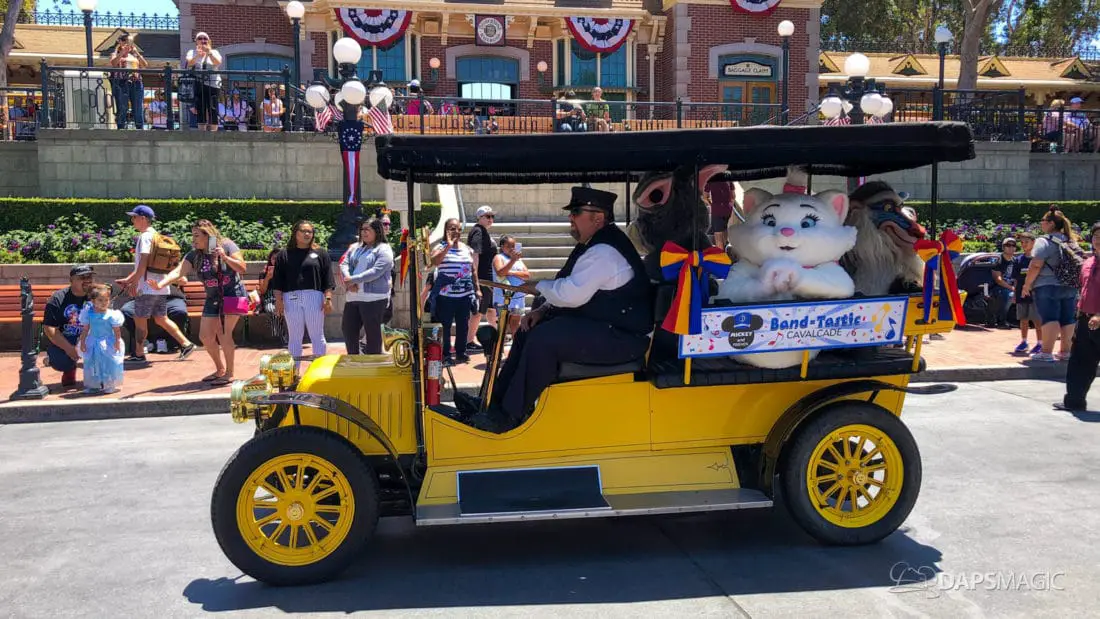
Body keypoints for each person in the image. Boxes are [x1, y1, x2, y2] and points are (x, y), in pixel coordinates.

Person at [470, 187, 654, 433]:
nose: (570, 217)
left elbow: (571, 294)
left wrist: (539, 287)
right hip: (606, 326)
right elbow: (570, 287)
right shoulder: (591, 245)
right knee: (528, 329)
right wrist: (542, 310)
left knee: (545, 340)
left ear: (598, 218)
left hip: (625, 337)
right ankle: (494, 404)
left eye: (576, 212)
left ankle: (509, 416)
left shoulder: (604, 251)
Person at [149, 220, 248, 385]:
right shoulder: (194, 255)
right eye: (192, 235)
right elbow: (178, 272)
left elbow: (242, 267)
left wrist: (224, 257)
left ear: (207, 235)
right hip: (213, 298)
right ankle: (220, 369)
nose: (193, 239)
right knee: (205, 336)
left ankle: (229, 373)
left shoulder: (227, 245)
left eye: (196, 235)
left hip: (234, 295)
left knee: (223, 333)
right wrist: (161, 284)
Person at [114, 205, 195, 364]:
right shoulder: (156, 236)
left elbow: (143, 263)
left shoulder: (145, 237)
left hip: (147, 288)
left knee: (139, 319)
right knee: (161, 318)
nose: (132, 220)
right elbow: (146, 266)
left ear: (143, 218)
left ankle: (139, 354)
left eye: (134, 217)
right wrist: (130, 279)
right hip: (160, 287)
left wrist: (134, 282)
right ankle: (186, 344)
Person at [271, 220, 334, 369]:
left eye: (310, 231)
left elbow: (328, 278)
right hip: (291, 297)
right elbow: (278, 280)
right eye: (303, 231)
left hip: (314, 296)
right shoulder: (283, 255)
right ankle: (294, 372)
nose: (307, 234)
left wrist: (328, 298)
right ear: (295, 233)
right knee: (294, 337)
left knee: (317, 335)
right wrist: (278, 300)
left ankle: (319, 370)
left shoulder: (320, 253)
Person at [1022, 207, 1082, 362]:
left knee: (1050, 317)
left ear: (1051, 223)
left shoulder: (1043, 241)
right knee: (1068, 319)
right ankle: (1065, 352)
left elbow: (1036, 264)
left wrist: (1027, 285)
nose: (1041, 223)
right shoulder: (1070, 240)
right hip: (1070, 284)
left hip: (1047, 285)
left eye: (1043, 221)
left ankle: (1046, 352)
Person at [1057, 221, 1100, 412]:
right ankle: (1074, 401)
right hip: (1085, 320)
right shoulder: (1089, 262)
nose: (1098, 240)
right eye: (1096, 236)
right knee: (1080, 362)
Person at [340, 218, 394, 355]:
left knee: (372, 334)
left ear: (377, 231)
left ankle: (373, 361)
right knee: (348, 329)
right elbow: (344, 263)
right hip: (353, 296)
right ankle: (354, 357)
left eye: (367, 229)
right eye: (362, 229)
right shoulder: (355, 247)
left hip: (374, 298)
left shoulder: (384, 249)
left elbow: (376, 271)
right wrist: (348, 280)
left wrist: (353, 279)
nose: (363, 232)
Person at [429, 218, 479, 365]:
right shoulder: (440, 246)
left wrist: (477, 289)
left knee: (463, 325)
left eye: (458, 229)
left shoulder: (466, 248)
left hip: (465, 295)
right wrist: (448, 246)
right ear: (446, 230)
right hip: (446, 296)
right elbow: (434, 262)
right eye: (452, 228)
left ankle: (461, 352)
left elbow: (473, 270)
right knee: (445, 326)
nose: (456, 231)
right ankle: (445, 355)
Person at [42, 264, 97, 388]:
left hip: (91, 336)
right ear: (71, 280)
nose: (87, 280)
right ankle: (69, 368)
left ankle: (98, 375)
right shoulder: (58, 298)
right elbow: (49, 328)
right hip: (68, 337)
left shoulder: (97, 295)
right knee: (60, 360)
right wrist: (69, 349)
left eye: (89, 277)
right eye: (82, 277)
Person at [78, 284, 125, 395]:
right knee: (92, 363)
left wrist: (117, 342)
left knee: (109, 363)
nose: (104, 303)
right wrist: (83, 342)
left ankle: (110, 384)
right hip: (93, 342)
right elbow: (85, 330)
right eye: (100, 300)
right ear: (93, 301)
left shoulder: (112, 315)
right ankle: (93, 385)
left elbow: (117, 331)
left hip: (108, 342)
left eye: (106, 300)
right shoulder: (88, 314)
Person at [466, 205, 498, 354]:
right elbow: (475, 255)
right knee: (479, 311)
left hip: (488, 278)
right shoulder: (478, 231)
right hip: (483, 278)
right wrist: (476, 279)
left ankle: (496, 335)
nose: (491, 219)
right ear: (479, 218)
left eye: (492, 216)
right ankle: (469, 341)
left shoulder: (482, 231)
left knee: (491, 309)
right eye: (488, 216)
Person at [492, 235, 531, 337]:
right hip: (503, 297)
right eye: (508, 246)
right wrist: (512, 261)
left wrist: (511, 273)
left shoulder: (518, 260)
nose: (511, 248)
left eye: (513, 246)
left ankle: (516, 346)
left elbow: (527, 275)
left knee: (516, 324)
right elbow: (500, 272)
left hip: (518, 297)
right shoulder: (498, 257)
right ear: (502, 246)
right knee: (503, 325)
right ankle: (500, 346)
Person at [109, 33, 148, 130]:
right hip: (122, 83)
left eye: (131, 42)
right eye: (127, 42)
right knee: (122, 107)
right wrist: (122, 52)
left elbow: (144, 65)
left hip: (136, 82)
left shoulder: (133, 55)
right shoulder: (115, 54)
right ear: (121, 42)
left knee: (138, 107)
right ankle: (121, 128)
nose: (129, 44)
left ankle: (140, 128)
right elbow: (114, 63)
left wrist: (137, 53)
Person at [185, 32, 222, 132]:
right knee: (201, 109)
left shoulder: (214, 52)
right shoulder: (192, 52)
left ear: (209, 41)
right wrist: (198, 55)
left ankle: (213, 134)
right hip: (198, 84)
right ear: (196, 41)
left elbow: (217, 62)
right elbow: (189, 63)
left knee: (212, 108)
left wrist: (209, 53)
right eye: (200, 38)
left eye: (205, 38)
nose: (203, 40)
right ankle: (202, 133)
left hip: (213, 84)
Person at [1013, 232, 1043, 355]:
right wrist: (1015, 293)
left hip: (1035, 293)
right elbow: (1015, 279)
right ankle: (1024, 341)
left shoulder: (1038, 259)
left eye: (1027, 242)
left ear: (1033, 243)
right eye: (1022, 242)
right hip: (1021, 293)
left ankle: (1040, 343)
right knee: (1023, 319)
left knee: (1037, 320)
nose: (1024, 244)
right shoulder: (1018, 260)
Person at [989, 237, 1022, 329]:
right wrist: (1012, 288)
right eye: (1008, 245)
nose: (1011, 247)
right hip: (997, 287)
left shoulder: (1015, 260)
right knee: (1010, 294)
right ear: (1003, 247)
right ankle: (1001, 321)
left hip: (1012, 286)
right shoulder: (998, 260)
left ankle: (1022, 320)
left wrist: (1018, 288)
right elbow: (998, 280)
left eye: (1013, 245)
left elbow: (1018, 277)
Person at [257, 249, 288, 345]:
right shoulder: (264, 273)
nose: (276, 260)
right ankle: (282, 337)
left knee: (288, 309)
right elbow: (262, 291)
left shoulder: (286, 271)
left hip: (283, 297)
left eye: (278, 258)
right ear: (270, 259)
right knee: (272, 309)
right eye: (274, 258)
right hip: (269, 298)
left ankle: (279, 335)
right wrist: (268, 277)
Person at [705, 176, 735, 252]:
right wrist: (730, 206)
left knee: (718, 237)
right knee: (724, 233)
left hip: (717, 210)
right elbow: (733, 196)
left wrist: (711, 204)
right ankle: (726, 252)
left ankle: (721, 256)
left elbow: (705, 197)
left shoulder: (711, 180)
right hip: (728, 210)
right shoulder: (729, 178)